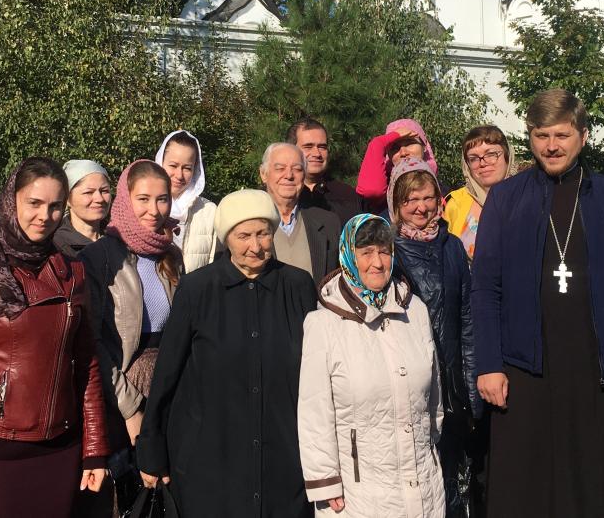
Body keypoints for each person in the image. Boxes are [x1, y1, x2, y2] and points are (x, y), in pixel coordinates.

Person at [472, 88, 604, 518]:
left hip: (599, 365)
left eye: (561, 134)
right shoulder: (506, 198)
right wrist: (489, 364)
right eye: (540, 135)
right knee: (529, 483)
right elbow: (485, 288)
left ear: (582, 136)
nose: (551, 146)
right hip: (525, 363)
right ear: (529, 139)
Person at [0, 158, 109, 518]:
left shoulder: (72, 273)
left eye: (55, 206)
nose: (44, 216)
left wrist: (94, 447)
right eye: (34, 203)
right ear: (11, 202)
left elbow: (87, 366)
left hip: (62, 448)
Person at [136, 189, 317, 517]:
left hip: (283, 454)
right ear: (226, 238)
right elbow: (167, 373)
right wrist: (151, 446)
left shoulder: (298, 286)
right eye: (243, 235)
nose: (255, 246)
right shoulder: (197, 289)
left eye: (263, 233)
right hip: (211, 454)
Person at [299, 213, 444, 517]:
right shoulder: (323, 324)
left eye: (385, 251)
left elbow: (435, 398)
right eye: (366, 253)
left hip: (423, 483)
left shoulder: (415, 310)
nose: (378, 263)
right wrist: (325, 483)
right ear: (348, 257)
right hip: (358, 493)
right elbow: (314, 411)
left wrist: (431, 449)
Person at [79, 161, 181, 510]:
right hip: (119, 398)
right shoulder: (98, 258)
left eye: (162, 199)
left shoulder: (171, 255)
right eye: (143, 199)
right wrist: (130, 408)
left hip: (166, 394)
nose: (154, 211)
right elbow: (93, 343)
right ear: (124, 199)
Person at [387, 158, 477, 515]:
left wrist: (471, 380)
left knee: (453, 472)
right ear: (397, 205)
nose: (420, 207)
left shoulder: (452, 246)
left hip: (452, 376)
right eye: (410, 200)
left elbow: (467, 314)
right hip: (412, 377)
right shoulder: (389, 250)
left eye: (427, 197)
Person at [260, 141, 340, 284]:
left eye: (297, 169)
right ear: (263, 174)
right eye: (280, 168)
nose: (289, 175)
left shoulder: (329, 223)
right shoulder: (247, 223)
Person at [444, 124, 525, 260]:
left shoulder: (526, 196)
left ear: (507, 155)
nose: (483, 163)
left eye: (491, 154)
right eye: (474, 158)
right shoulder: (454, 204)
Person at [154, 129, 219, 271]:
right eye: (173, 166)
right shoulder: (145, 206)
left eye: (187, 168)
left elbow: (213, 265)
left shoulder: (208, 211)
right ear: (160, 162)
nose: (179, 175)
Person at [356, 118, 438, 215]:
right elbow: (372, 191)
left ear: (424, 147)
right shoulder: (384, 195)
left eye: (409, 143)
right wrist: (378, 143)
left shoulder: (443, 194)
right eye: (395, 148)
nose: (403, 152)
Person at [289, 117, 362, 224]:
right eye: (308, 147)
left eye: (322, 147)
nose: (317, 154)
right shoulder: (279, 196)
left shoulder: (347, 196)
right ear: (291, 149)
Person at [53, 159, 113, 258]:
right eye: (88, 192)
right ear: (67, 198)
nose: (99, 199)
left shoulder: (120, 240)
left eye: (104, 191)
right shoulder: (56, 247)